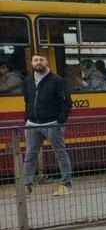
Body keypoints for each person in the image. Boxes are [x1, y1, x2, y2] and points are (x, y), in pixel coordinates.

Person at [20, 53, 73, 195]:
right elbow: (27, 101)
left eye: (41, 60)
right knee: (30, 155)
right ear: (31, 63)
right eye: (35, 60)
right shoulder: (28, 81)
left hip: (52, 123)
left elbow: (66, 102)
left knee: (60, 153)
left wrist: (60, 121)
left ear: (47, 62)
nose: (38, 62)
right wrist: (26, 119)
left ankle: (66, 184)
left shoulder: (57, 80)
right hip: (32, 124)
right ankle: (26, 186)